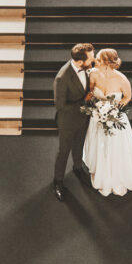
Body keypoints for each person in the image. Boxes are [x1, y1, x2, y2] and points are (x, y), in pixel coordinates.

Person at [82, 48, 132, 196]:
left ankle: (117, 172)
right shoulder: (93, 74)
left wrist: (114, 111)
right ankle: (99, 167)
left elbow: (127, 96)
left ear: (107, 63)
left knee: (115, 146)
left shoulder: (121, 79)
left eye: (99, 60)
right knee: (98, 142)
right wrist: (96, 106)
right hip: (98, 116)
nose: (95, 62)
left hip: (115, 117)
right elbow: (91, 92)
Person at [51, 43, 95, 201]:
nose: (94, 59)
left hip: (83, 118)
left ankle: (77, 168)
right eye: (91, 58)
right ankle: (58, 182)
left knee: (79, 145)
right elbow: (60, 106)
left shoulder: (88, 68)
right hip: (68, 121)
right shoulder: (62, 78)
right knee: (64, 151)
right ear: (80, 62)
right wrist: (85, 102)